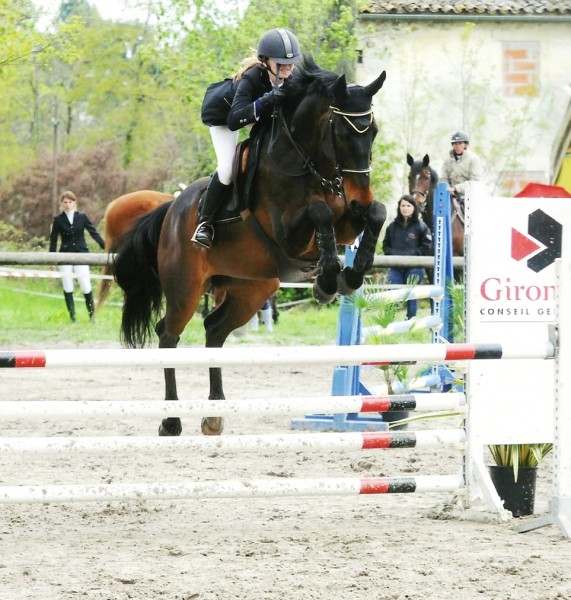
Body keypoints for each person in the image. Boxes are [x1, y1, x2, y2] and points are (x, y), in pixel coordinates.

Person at [191, 28, 301, 249]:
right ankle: (204, 223)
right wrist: (266, 100)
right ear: (265, 61)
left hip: (256, 116)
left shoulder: (292, 78)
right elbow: (235, 120)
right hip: (226, 117)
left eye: (290, 62)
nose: (287, 67)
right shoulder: (251, 78)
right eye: (281, 62)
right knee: (227, 169)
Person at [49, 190, 105, 322]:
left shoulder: (82, 217)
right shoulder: (58, 220)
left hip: (81, 254)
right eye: (65, 202)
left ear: (75, 203)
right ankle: (73, 318)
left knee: (85, 285)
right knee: (68, 286)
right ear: (61, 204)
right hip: (65, 256)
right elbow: (53, 240)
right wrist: (51, 259)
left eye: (70, 202)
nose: (68, 204)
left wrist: (105, 246)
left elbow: (93, 232)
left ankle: (92, 317)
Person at [382, 194, 433, 320]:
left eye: (408, 205)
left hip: (415, 267)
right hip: (396, 267)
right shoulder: (392, 227)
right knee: (392, 292)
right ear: (399, 207)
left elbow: (426, 247)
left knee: (412, 293)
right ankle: (388, 320)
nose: (405, 208)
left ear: (414, 208)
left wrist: (411, 256)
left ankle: (411, 318)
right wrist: (394, 255)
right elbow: (385, 245)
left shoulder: (421, 226)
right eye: (403, 205)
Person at [441, 131, 483, 204]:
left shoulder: (473, 159)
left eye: (460, 143)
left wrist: (456, 188)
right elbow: (443, 178)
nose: (457, 146)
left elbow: (474, 181)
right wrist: (447, 189)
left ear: (465, 145)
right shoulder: (447, 160)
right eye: (455, 144)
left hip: (469, 197)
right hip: (450, 195)